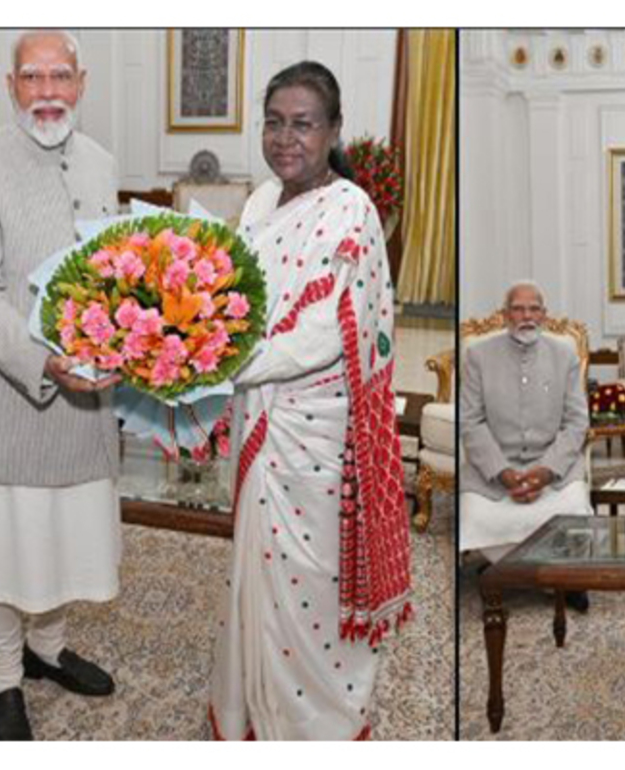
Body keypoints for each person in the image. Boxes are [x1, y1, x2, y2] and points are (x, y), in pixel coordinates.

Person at [208, 61, 411, 741]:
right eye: (273, 122)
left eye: (302, 124)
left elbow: (325, 330)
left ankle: (315, 724)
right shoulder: (260, 202)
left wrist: (212, 364)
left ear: (332, 132)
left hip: (314, 434)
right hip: (256, 413)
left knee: (310, 580)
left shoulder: (350, 209)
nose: (284, 138)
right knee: (256, 571)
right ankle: (253, 714)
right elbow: (230, 299)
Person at [0, 30, 123, 741]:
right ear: (12, 85)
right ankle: (5, 676)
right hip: (14, 392)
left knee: (67, 540)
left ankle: (47, 651)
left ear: (81, 82)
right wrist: (45, 362)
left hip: (86, 403)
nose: (47, 91)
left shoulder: (103, 163)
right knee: (11, 548)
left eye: (60, 76)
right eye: (31, 77)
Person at [459, 281, 591, 609]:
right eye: (518, 308)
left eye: (534, 308)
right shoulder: (478, 355)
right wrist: (503, 474)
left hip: (553, 467)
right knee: (477, 514)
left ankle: (566, 580)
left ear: (544, 316)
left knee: (572, 509)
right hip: (495, 468)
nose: (526, 315)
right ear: (506, 315)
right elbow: (471, 422)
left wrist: (544, 473)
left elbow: (577, 422)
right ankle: (506, 572)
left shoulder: (565, 354)